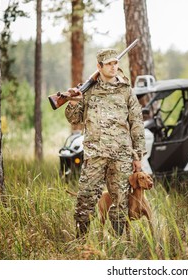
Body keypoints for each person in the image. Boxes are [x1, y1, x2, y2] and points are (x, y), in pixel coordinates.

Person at [64, 48, 146, 238]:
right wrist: (74, 102)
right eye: (108, 63)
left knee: (121, 202)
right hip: (95, 155)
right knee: (85, 199)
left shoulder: (126, 90)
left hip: (122, 156)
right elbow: (75, 120)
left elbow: (136, 123)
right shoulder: (88, 90)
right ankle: (81, 242)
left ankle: (118, 245)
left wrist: (138, 155)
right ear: (99, 67)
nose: (113, 66)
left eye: (115, 63)